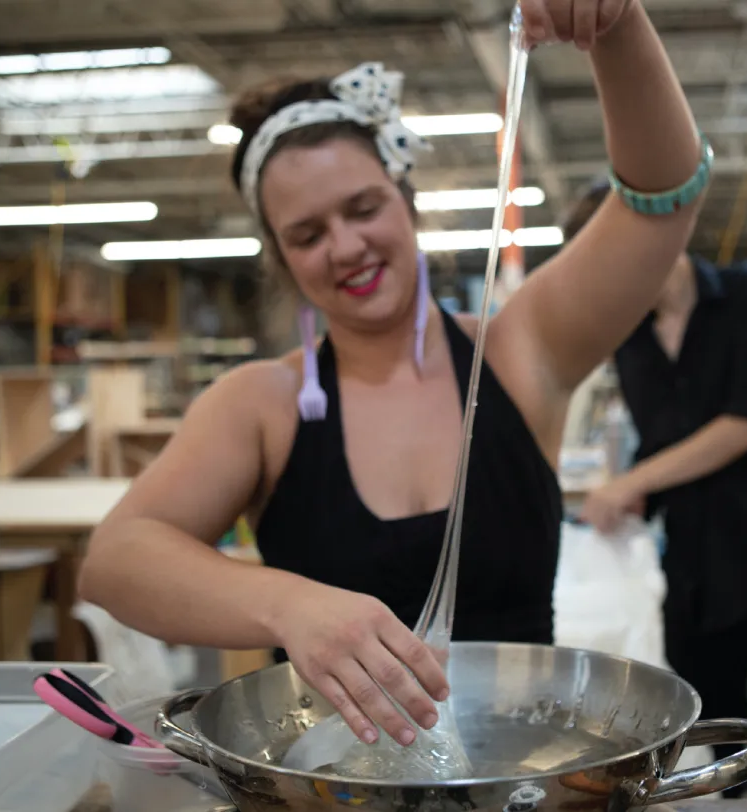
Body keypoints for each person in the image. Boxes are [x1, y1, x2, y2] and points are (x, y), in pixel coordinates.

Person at [80, 0, 709, 751]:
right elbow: (115, 561)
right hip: (334, 786)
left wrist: (617, 27)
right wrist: (287, 605)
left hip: (530, 772)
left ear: (407, 202)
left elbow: (662, 195)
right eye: (307, 234)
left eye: (364, 207)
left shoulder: (521, 350)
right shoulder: (265, 404)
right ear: (282, 258)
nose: (345, 246)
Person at [572, 185, 747, 797]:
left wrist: (635, 480)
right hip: (698, 568)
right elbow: (662, 441)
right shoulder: (630, 340)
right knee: (722, 728)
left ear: (669, 232)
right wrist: (638, 497)